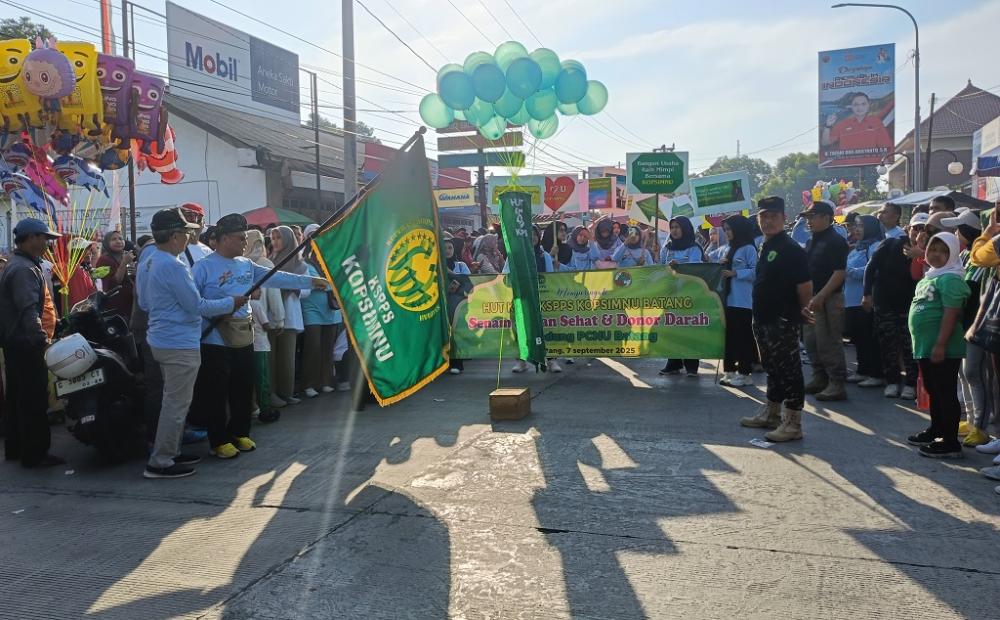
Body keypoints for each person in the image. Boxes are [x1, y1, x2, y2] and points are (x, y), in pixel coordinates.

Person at [191, 215, 325, 459]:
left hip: (244, 333)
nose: (244, 243)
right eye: (240, 238)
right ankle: (218, 440)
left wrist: (310, 281)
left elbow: (276, 276)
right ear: (222, 239)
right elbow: (193, 304)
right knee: (217, 391)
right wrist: (227, 304)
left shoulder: (246, 265)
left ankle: (240, 433)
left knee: (243, 386)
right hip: (215, 339)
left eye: (245, 238)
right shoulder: (203, 267)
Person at [138, 208, 245, 479]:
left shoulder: (149, 259)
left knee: (172, 402)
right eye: (186, 232)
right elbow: (197, 305)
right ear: (175, 236)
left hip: (162, 338)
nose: (189, 237)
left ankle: (168, 452)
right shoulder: (173, 265)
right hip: (178, 342)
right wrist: (231, 302)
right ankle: (161, 461)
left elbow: (144, 303)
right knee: (176, 404)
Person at [739, 197, 813, 441]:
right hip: (762, 317)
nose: (767, 221)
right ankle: (771, 413)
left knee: (789, 369)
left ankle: (793, 423)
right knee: (772, 368)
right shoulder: (766, 245)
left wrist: (804, 310)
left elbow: (804, 285)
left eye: (773, 216)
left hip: (782, 319)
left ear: (783, 218)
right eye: (763, 216)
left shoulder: (791, 248)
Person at [0, 219, 65, 468]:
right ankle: (35, 453)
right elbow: (28, 310)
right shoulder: (24, 269)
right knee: (34, 400)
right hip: (27, 344)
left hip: (16, 343)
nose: (47, 243)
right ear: (29, 239)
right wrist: (41, 340)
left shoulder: (20, 264)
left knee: (18, 398)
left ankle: (17, 449)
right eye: (43, 237)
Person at [906, 233, 971, 459]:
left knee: (945, 392)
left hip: (942, 348)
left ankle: (951, 442)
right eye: (933, 249)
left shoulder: (951, 279)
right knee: (934, 390)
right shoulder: (930, 276)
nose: (936, 255)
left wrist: (941, 344)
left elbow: (951, 313)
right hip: (925, 346)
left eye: (943, 251)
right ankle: (936, 430)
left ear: (953, 254)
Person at [864, 213, 925, 400]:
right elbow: (871, 267)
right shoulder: (891, 243)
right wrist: (866, 294)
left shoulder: (930, 251)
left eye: (923, 229)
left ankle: (910, 384)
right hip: (885, 304)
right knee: (888, 345)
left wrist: (921, 254)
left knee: (910, 348)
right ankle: (892, 381)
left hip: (911, 307)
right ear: (909, 228)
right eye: (916, 228)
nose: (918, 232)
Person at [943, 210, 991, 447]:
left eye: (958, 228)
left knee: (974, 373)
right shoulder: (965, 257)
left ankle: (981, 428)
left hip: (978, 324)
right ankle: (971, 420)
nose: (954, 232)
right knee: (963, 372)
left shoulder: (984, 257)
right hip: (962, 323)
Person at [800, 201, 850, 401]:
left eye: (813, 216)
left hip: (829, 298)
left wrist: (821, 296)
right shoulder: (813, 241)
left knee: (829, 341)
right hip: (812, 298)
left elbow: (840, 273)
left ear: (826, 217)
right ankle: (819, 377)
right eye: (808, 217)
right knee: (811, 341)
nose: (809, 221)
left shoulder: (835, 241)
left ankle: (836, 383)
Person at [268, 225, 311, 405]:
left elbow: (308, 289)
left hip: (291, 314)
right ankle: (271, 393)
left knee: (287, 358)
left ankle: (286, 392)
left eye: (279, 238)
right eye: (273, 238)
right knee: (271, 358)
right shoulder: (268, 262)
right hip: (271, 316)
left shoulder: (300, 264)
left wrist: (294, 288)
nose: (275, 242)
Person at [244, 229, 284, 420]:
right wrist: (278, 319)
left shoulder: (240, 264)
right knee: (262, 372)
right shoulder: (265, 264)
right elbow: (275, 295)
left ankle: (251, 405)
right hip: (262, 324)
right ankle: (265, 404)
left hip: (240, 330)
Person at [510, 226, 561, 373]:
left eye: (535, 234)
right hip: (522, 299)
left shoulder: (544, 255)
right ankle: (521, 361)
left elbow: (550, 278)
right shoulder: (515, 255)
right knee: (521, 329)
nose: (532, 237)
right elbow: (506, 274)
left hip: (542, 298)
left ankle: (552, 361)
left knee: (546, 329)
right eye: (528, 234)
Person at [659, 216, 705, 377]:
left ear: (685, 228)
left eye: (678, 227)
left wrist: (679, 267)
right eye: (672, 227)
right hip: (671, 295)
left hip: (689, 295)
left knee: (689, 329)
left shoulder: (694, 248)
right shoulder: (666, 248)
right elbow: (660, 269)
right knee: (672, 330)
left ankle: (692, 365)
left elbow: (697, 269)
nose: (674, 230)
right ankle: (673, 363)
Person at [845, 215, 885, 387]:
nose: (857, 229)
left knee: (869, 338)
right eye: (856, 225)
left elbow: (874, 271)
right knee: (859, 338)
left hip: (865, 299)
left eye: (861, 225)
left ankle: (876, 373)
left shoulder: (875, 246)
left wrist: (850, 271)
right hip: (851, 300)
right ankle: (863, 370)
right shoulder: (857, 248)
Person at [718, 215, 758, 387]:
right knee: (729, 336)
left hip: (742, 300)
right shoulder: (728, 248)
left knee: (743, 337)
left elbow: (756, 271)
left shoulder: (749, 248)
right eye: (725, 229)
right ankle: (729, 371)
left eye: (729, 229)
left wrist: (736, 273)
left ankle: (745, 373)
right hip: (728, 299)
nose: (727, 233)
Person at [301, 245, 339, 398]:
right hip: (312, 310)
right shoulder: (305, 264)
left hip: (331, 311)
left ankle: (326, 382)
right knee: (313, 347)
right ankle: (308, 384)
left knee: (328, 348)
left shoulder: (331, 261)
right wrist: (331, 285)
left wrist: (329, 284)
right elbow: (316, 283)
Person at [821, 92, 893, 159]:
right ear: (851, 106)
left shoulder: (876, 122)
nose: (860, 107)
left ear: (868, 105)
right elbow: (825, 143)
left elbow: (886, 147)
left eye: (863, 104)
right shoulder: (843, 124)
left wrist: (885, 164)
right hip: (847, 166)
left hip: (872, 165)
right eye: (856, 104)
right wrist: (828, 126)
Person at [444, 236, 473, 374]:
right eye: (444, 248)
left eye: (450, 247)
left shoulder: (461, 265)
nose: (447, 251)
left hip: (457, 305)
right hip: (441, 305)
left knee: (455, 333)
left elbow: (469, 283)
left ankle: (456, 363)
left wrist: (452, 274)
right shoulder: (434, 266)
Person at [95, 230, 136, 323]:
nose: (118, 241)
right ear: (106, 242)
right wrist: (124, 263)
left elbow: (130, 278)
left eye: (121, 238)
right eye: (113, 239)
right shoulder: (104, 259)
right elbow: (114, 283)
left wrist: (133, 271)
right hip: (115, 306)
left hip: (129, 304)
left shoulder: (124, 256)